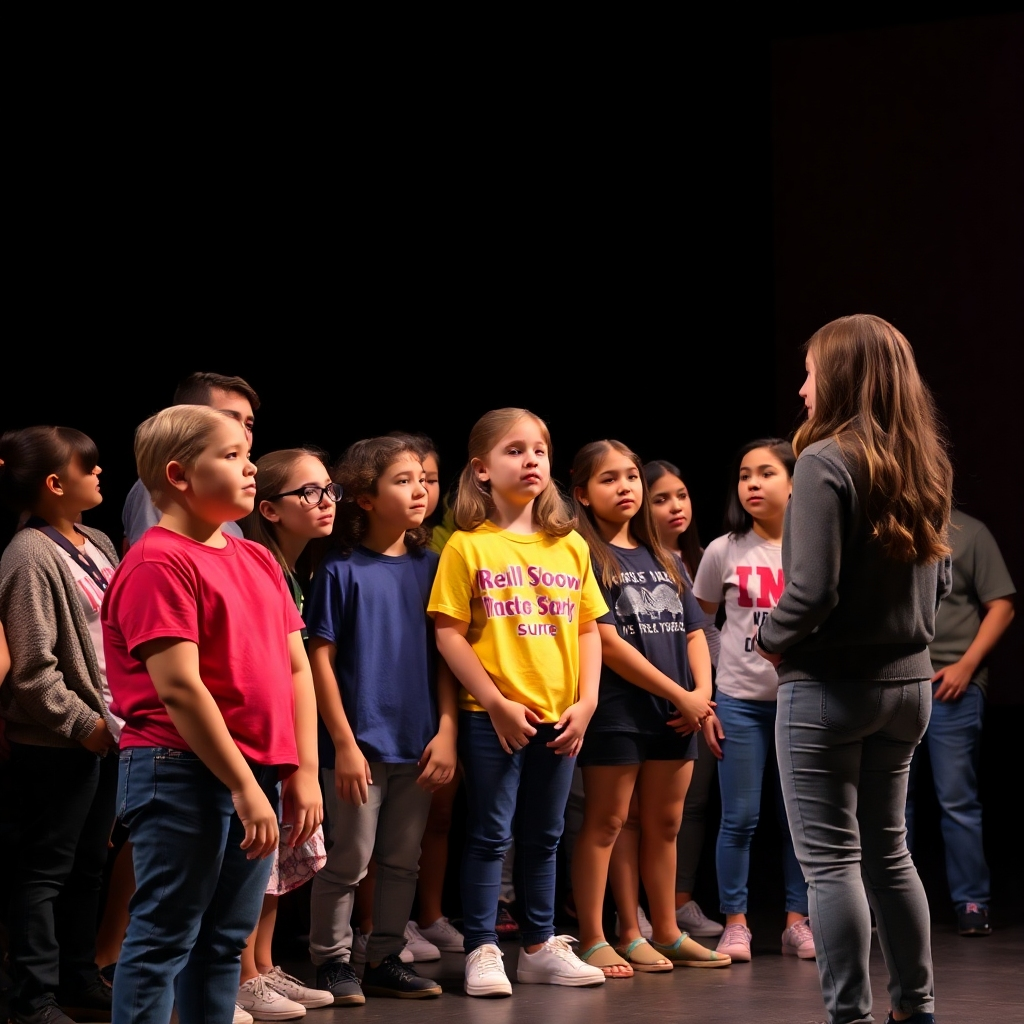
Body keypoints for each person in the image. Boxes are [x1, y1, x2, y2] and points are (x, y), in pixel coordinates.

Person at [756, 313, 953, 1024]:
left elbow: (811, 591)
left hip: (828, 691)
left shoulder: (823, 460)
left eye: (810, 372)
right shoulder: (925, 462)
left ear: (839, 376)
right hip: (909, 688)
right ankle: (915, 1009)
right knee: (889, 854)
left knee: (832, 863)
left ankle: (849, 1017)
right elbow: (942, 580)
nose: (802, 388)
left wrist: (768, 637)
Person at [101, 405, 322, 1024]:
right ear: (178, 475)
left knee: (225, 938)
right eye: (230, 456)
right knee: (164, 936)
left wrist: (301, 769)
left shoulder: (257, 559)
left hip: (254, 771)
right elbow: (180, 689)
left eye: (248, 454)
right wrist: (244, 786)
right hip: (179, 769)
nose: (250, 468)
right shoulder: (158, 562)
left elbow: (296, 668)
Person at [428, 407, 607, 997]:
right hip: (493, 717)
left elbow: (587, 628)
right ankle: (482, 947)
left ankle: (538, 946)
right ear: (482, 469)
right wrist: (494, 701)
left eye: (539, 450)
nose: (531, 460)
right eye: (514, 450)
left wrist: (587, 702)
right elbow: (449, 634)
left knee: (545, 835)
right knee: (489, 834)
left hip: (561, 716)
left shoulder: (570, 545)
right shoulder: (467, 546)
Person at [568, 441, 727, 978]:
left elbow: (695, 630)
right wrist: (682, 695)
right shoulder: (586, 556)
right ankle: (603, 936)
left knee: (666, 823)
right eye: (609, 479)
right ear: (581, 494)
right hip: (619, 712)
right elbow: (608, 643)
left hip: (677, 712)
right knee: (609, 822)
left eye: (631, 476)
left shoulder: (664, 555)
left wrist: (700, 693)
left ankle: (667, 930)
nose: (625, 488)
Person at [305, 436, 455, 1003]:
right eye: (402, 480)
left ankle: (385, 956)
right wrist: (343, 744)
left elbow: (447, 657)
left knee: (402, 860)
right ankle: (331, 961)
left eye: (422, 480)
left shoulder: (434, 567)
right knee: (348, 858)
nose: (419, 491)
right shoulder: (339, 570)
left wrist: (447, 730)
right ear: (365, 498)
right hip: (359, 745)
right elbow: (320, 660)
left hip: (417, 743)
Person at [0, 427, 120, 1024]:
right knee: (45, 868)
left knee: (90, 866)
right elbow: (30, 669)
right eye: (87, 466)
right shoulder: (28, 553)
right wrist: (83, 724)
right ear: (54, 483)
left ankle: (78, 977)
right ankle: (32, 997)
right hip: (59, 740)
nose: (99, 473)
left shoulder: (97, 540)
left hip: (108, 734)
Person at [691, 438, 812, 963]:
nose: (753, 484)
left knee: (797, 821)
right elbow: (700, 624)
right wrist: (714, 689)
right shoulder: (724, 549)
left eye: (766, 473)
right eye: (744, 475)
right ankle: (735, 923)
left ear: (794, 482)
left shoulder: (813, 546)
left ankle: (797, 922)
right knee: (739, 817)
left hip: (800, 702)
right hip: (739, 703)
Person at [235, 448, 342, 1018]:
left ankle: (264, 963)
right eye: (309, 492)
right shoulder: (258, 564)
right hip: (258, 740)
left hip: (283, 738)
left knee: (278, 856)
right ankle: (241, 975)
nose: (325, 502)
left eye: (329, 489)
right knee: (256, 857)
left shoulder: (292, 570)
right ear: (270, 509)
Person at [907, 509, 1015, 937]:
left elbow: (1002, 604)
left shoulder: (970, 532)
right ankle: (893, 905)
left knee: (957, 799)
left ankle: (972, 901)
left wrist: (967, 665)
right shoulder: (889, 525)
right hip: (898, 683)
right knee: (892, 804)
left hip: (951, 684)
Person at [644, 459, 724, 939]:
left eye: (681, 495)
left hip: (698, 699)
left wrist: (704, 699)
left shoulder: (701, 559)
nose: (676, 507)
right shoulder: (635, 560)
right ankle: (631, 908)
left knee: (689, 807)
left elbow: (707, 632)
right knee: (629, 814)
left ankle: (679, 901)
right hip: (651, 697)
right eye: (661, 499)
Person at [121, 371, 259, 549]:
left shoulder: (240, 536)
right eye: (228, 419)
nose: (242, 432)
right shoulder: (162, 491)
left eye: (248, 425)